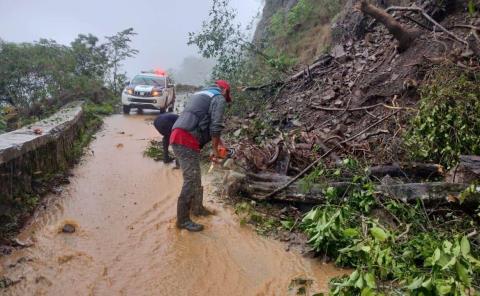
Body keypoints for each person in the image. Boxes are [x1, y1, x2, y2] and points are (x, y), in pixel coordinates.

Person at [170, 80, 232, 232]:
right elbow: (216, 126)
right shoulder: (219, 98)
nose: (226, 99)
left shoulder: (201, 95)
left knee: (195, 177)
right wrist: (215, 150)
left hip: (179, 134)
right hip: (185, 139)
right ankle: (182, 220)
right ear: (224, 90)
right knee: (191, 180)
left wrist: (220, 145)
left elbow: (209, 124)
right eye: (227, 95)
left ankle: (197, 209)